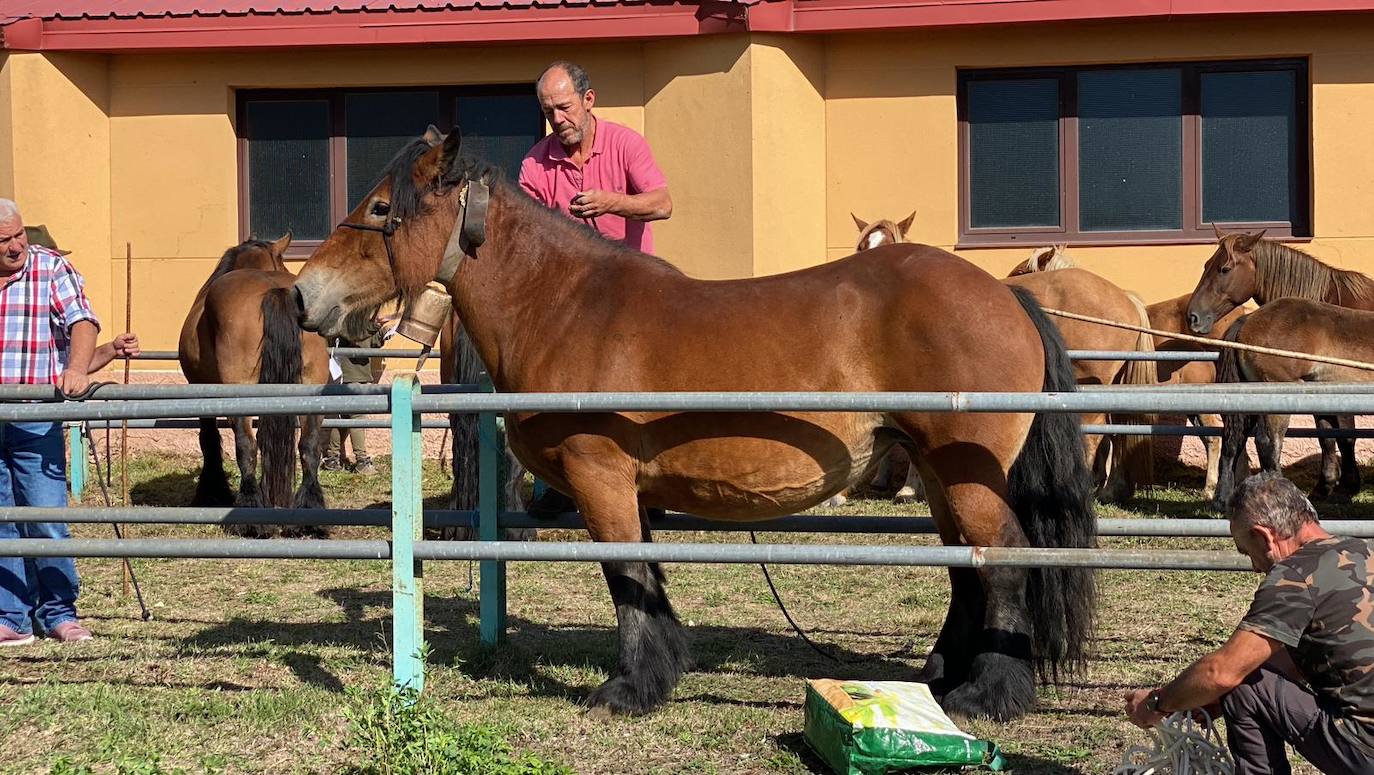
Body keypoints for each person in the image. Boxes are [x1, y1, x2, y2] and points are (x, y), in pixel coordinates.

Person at [1124, 472, 1374, 773]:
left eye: (1247, 551)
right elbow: (1310, 654)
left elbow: (1221, 672)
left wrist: (1156, 704)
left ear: (1264, 536)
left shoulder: (1294, 575)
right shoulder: (1363, 550)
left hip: (1364, 747)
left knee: (1244, 688)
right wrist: (1210, 696)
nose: (1256, 567)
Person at [517, 60, 673, 517]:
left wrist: (613, 203)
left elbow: (663, 204)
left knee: (648, 391)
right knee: (542, 385)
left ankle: (653, 480)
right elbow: (525, 233)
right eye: (549, 113)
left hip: (634, 294)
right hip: (569, 303)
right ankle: (554, 478)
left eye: (564, 108)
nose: (558, 120)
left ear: (588, 100)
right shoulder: (534, 160)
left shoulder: (626, 143)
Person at [0, 199, 99, 646]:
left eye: (19, 235)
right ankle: (11, 617)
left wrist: (77, 368)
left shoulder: (50, 269)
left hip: (36, 415)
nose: (16, 245)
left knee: (45, 515)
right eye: (4, 240)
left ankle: (59, 612)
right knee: (1, 520)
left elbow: (81, 320)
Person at [323, 327, 387, 476]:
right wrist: (375, 326)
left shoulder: (365, 322)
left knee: (343, 419)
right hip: (348, 376)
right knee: (357, 418)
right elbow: (355, 334)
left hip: (360, 376)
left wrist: (384, 334)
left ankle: (332, 458)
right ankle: (361, 461)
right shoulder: (348, 322)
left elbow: (372, 342)